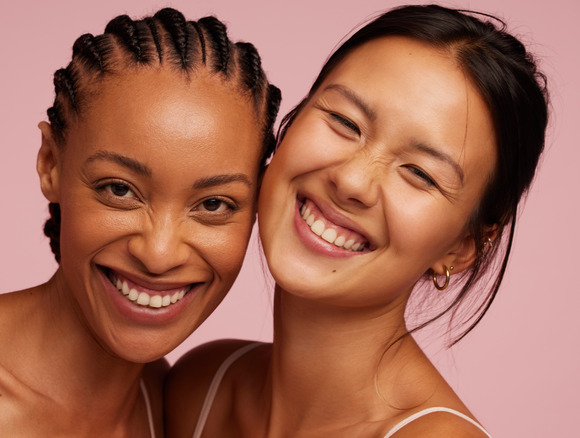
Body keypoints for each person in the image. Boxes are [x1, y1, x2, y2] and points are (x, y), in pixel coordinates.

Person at [0, 8, 280, 437]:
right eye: (119, 189)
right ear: (50, 162)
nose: (158, 254)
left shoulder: (166, 405)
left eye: (214, 204)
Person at [167, 4, 548, 437]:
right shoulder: (201, 385)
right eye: (345, 122)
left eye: (420, 173)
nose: (351, 181)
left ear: (461, 247)